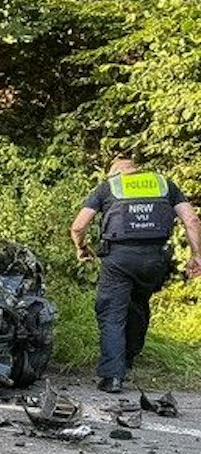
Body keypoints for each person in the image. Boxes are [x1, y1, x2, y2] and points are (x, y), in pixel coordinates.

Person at [70, 155, 201, 392]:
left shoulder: (109, 186)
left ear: (114, 172)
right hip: (154, 259)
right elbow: (191, 219)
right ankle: (128, 360)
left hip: (118, 259)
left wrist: (81, 248)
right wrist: (197, 256)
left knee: (112, 314)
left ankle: (112, 376)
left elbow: (79, 225)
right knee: (138, 305)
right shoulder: (164, 184)